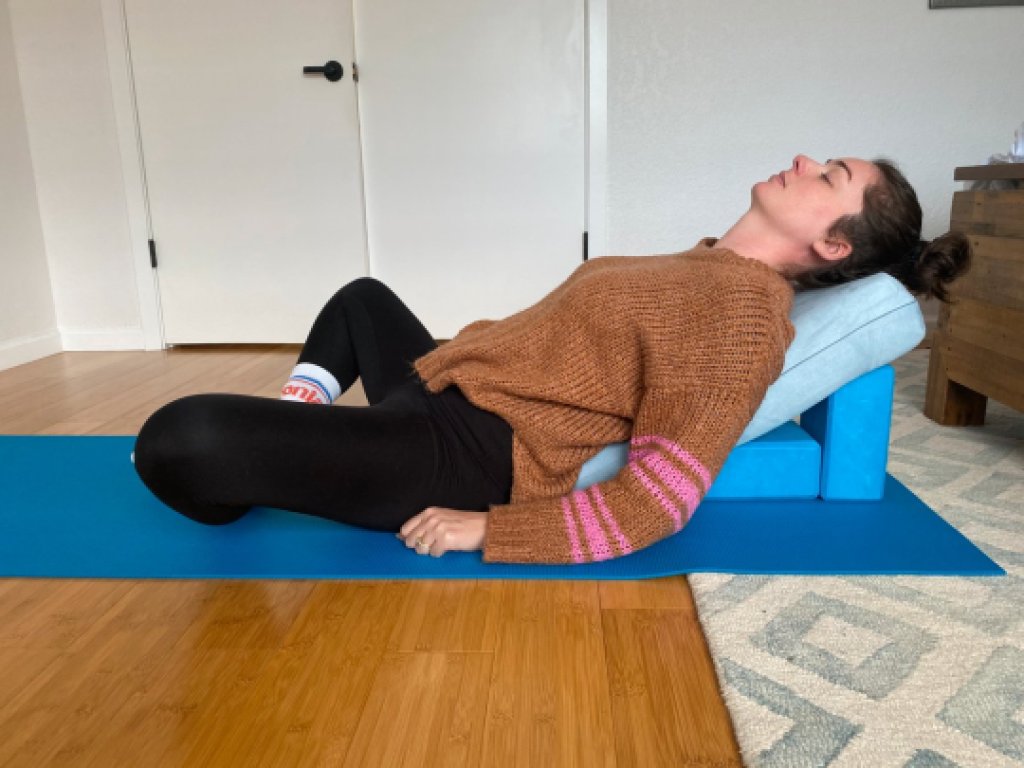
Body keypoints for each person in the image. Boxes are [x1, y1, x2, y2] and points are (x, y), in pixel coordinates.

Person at [133, 154, 971, 564]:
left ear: (832, 243)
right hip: (446, 388)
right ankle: (293, 434)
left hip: (464, 455)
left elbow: (661, 501)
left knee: (179, 437)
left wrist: (490, 529)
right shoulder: (708, 267)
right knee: (363, 298)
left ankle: (252, 470)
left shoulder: (741, 319)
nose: (804, 162)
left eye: (829, 175)